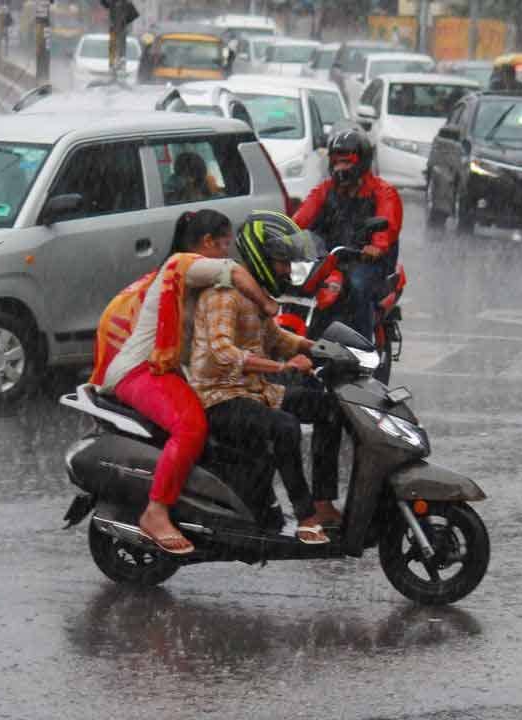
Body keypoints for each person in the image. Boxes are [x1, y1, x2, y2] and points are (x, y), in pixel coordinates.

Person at [89, 210, 280, 555]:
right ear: (206, 243)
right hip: (140, 371)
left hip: (164, 371)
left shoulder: (194, 283)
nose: (227, 253)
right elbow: (234, 273)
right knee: (191, 427)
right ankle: (156, 510)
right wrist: (267, 303)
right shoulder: (183, 264)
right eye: (223, 245)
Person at [189, 212, 345, 544]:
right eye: (282, 263)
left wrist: (318, 348)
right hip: (220, 397)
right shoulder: (223, 295)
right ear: (261, 257)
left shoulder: (253, 293)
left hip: (255, 390)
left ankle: (323, 499)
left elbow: (275, 338)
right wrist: (280, 368)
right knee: (285, 427)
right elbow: (221, 352)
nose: (287, 271)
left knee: (330, 407)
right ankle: (306, 517)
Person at [292, 128, 403, 341]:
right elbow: (300, 219)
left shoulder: (383, 192)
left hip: (367, 261)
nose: (340, 168)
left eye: (346, 162)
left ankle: (361, 347)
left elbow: (387, 224)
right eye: (336, 162)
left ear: (361, 163)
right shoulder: (325, 189)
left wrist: (376, 247)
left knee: (357, 286)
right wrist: (282, 237)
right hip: (328, 258)